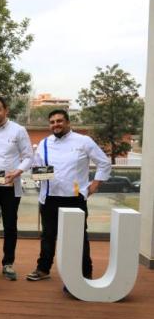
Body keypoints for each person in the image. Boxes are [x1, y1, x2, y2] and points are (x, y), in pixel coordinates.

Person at [26, 109, 111, 282]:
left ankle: (85, 273)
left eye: (59, 121)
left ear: (68, 123)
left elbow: (104, 163)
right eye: (52, 122)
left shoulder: (83, 141)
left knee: (79, 237)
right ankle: (43, 269)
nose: (55, 125)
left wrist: (93, 186)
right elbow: (37, 168)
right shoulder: (44, 143)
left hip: (74, 199)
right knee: (48, 236)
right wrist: (37, 173)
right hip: (49, 198)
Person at [0, 96, 33, 281]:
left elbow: (28, 157)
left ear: (6, 110)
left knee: (10, 225)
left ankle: (8, 263)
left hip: (11, 185)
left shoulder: (19, 130)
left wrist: (17, 172)